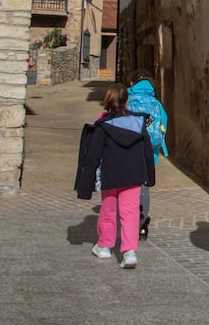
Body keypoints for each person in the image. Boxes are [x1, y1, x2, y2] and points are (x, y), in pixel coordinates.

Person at [75, 82, 155, 269]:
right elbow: (146, 152)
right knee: (130, 212)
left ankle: (104, 246)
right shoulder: (138, 124)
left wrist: (86, 180)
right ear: (127, 101)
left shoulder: (103, 126)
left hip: (110, 175)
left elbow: (93, 155)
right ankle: (129, 252)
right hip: (133, 175)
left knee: (108, 210)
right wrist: (149, 176)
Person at [127, 69, 169, 240]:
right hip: (149, 151)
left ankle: (130, 220)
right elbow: (163, 125)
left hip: (128, 150)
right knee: (144, 187)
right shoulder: (156, 104)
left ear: (132, 84)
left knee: (129, 187)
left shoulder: (127, 101)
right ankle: (143, 222)